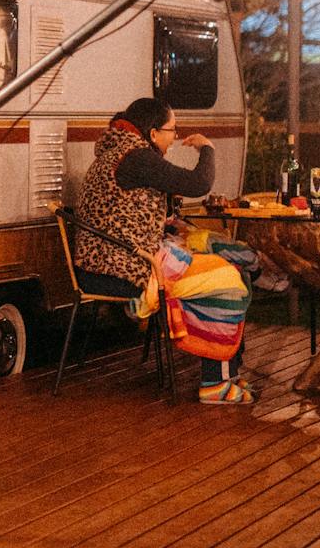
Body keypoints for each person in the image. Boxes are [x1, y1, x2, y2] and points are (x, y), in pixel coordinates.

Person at [73, 96, 256, 406]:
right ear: (153, 133)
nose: (175, 136)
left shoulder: (119, 152)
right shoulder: (137, 158)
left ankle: (228, 372)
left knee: (224, 270)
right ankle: (216, 384)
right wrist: (207, 148)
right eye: (172, 129)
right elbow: (199, 183)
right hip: (123, 268)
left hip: (108, 261)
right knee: (229, 281)